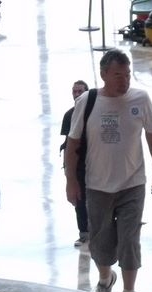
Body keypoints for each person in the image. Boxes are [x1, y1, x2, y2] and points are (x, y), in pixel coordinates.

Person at [64, 49, 152, 292]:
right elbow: (73, 144)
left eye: (128, 74)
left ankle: (129, 290)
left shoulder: (140, 99)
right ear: (103, 75)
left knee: (129, 238)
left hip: (132, 182)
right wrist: (71, 181)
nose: (125, 81)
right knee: (100, 237)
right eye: (118, 75)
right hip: (97, 183)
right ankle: (105, 277)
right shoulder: (87, 102)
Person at [60, 79, 90, 247]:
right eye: (74, 91)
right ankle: (84, 232)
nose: (77, 95)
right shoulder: (69, 115)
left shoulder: (95, 112)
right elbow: (67, 143)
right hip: (78, 164)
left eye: (80, 91)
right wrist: (67, 170)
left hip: (94, 162)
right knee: (79, 199)